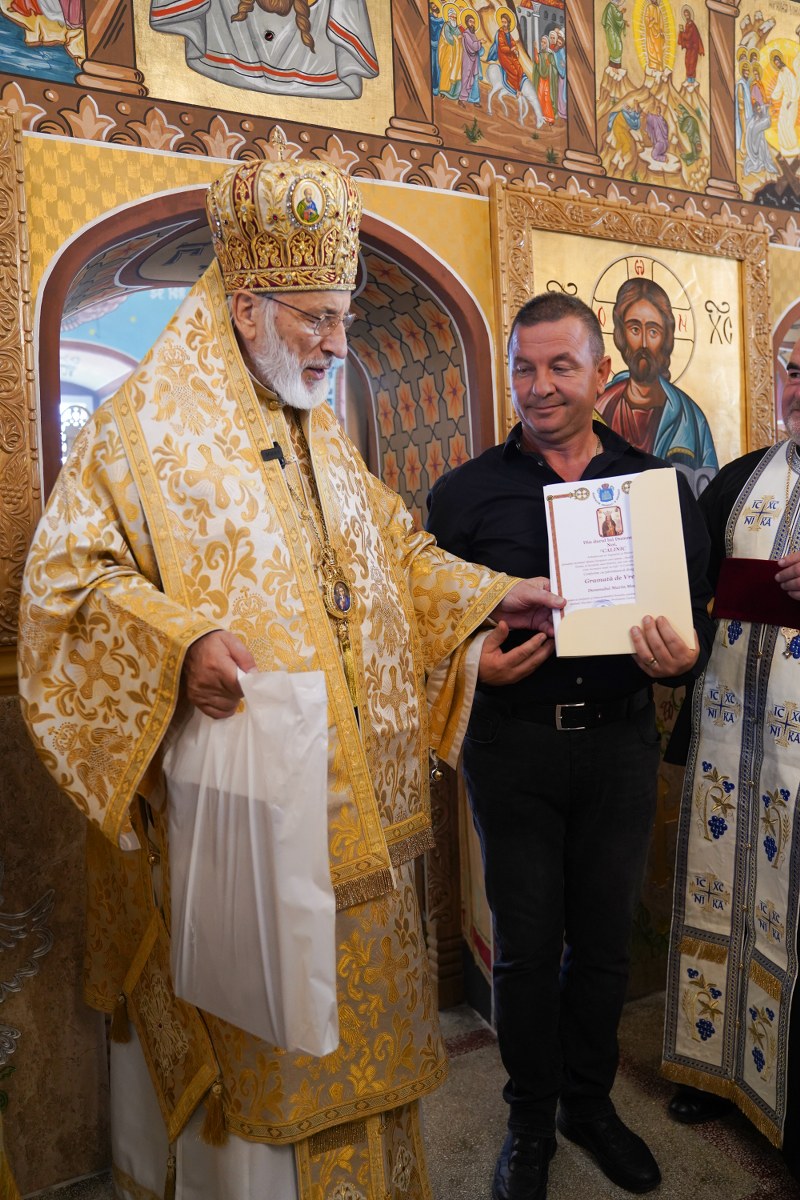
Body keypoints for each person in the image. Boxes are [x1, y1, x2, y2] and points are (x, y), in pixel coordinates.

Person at [17, 157, 562, 1200]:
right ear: (248, 305)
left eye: (343, 318)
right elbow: (66, 589)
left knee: (365, 1061)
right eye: (318, 318)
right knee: (263, 1079)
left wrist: (490, 603)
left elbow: (394, 554)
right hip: (244, 829)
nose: (336, 342)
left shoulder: (318, 427)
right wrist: (179, 645)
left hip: (365, 826)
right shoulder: (142, 430)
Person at [426, 292, 714, 1200]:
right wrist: (472, 659)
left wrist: (684, 658)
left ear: (601, 373)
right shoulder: (464, 495)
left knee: (602, 944)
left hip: (620, 747)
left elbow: (695, 618)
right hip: (512, 750)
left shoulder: (656, 488)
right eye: (525, 366)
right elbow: (424, 624)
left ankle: (588, 1105)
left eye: (560, 365)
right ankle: (528, 1118)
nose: (540, 385)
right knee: (522, 946)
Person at [662, 339, 800, 1185]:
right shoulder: (743, 477)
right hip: (729, 742)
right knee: (727, 892)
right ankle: (717, 1069)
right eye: (795, 371)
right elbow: (684, 579)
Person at [596, 277, 718, 497]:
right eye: (635, 329)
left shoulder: (691, 418)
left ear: (666, 338)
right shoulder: (599, 407)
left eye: (653, 331)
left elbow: (708, 498)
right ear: (621, 334)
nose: (643, 343)